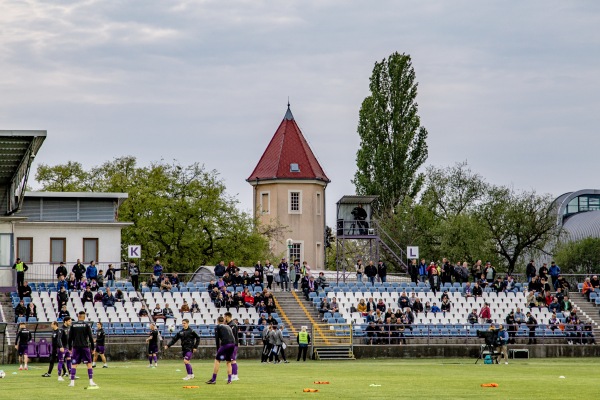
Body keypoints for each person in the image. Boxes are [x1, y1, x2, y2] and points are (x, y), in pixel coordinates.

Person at [67, 311, 97, 387]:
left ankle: (72, 382)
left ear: (78, 316)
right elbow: (90, 337)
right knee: (89, 364)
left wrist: (70, 348)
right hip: (85, 347)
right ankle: (91, 381)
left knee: (74, 364)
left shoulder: (73, 325)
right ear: (84, 317)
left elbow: (70, 338)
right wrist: (93, 348)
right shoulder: (87, 325)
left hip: (76, 347)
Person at [206, 316, 236, 384]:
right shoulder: (228, 326)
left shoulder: (218, 327)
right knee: (228, 362)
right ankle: (229, 380)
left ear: (217, 321)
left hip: (226, 344)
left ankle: (213, 379)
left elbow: (217, 339)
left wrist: (218, 349)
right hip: (233, 344)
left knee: (217, 360)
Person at [224, 312, 240, 381]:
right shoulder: (229, 325)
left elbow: (232, 336)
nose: (224, 318)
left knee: (233, 360)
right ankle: (233, 374)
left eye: (224, 317)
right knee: (231, 360)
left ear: (227, 317)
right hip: (230, 344)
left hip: (233, 345)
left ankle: (235, 375)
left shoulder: (233, 325)